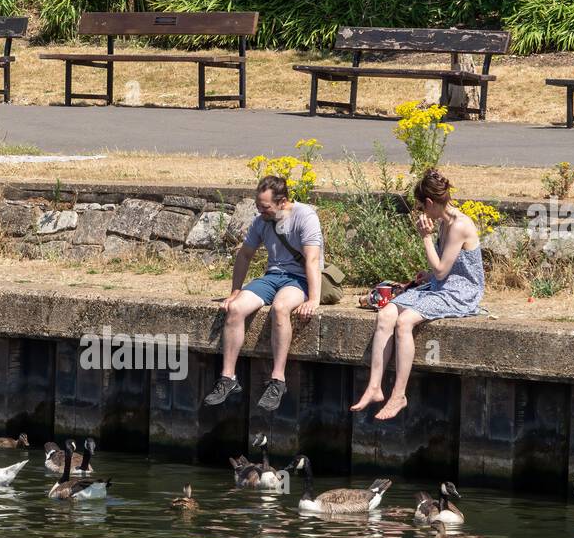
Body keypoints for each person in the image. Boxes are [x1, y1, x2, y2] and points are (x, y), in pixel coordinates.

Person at [349, 167, 485, 421]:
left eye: (421, 207)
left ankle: (399, 395)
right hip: (439, 285)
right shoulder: (444, 222)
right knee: (387, 312)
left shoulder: (459, 225)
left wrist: (425, 238)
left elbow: (444, 271)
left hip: (460, 291)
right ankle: (375, 386)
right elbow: (443, 268)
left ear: (430, 203)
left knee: (404, 321)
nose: (421, 213)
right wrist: (427, 273)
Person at [204, 175, 323, 413]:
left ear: (283, 202)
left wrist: (313, 299)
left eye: (265, 207)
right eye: (258, 206)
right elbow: (245, 254)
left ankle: (277, 380)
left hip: (298, 278)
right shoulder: (261, 221)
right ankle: (228, 378)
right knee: (235, 308)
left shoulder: (305, 216)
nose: (261, 212)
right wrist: (236, 290)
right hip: (272, 277)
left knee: (280, 309)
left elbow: (312, 258)